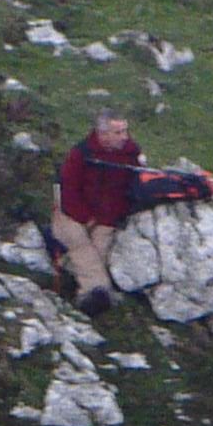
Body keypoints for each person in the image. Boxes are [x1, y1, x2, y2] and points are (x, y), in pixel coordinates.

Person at [53, 108, 143, 316]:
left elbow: (129, 188)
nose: (125, 137)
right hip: (72, 214)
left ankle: (85, 291)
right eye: (118, 133)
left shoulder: (130, 154)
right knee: (81, 245)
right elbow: (68, 191)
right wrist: (86, 218)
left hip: (107, 219)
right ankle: (99, 292)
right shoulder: (80, 154)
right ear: (102, 134)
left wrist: (107, 218)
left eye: (125, 131)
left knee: (98, 249)